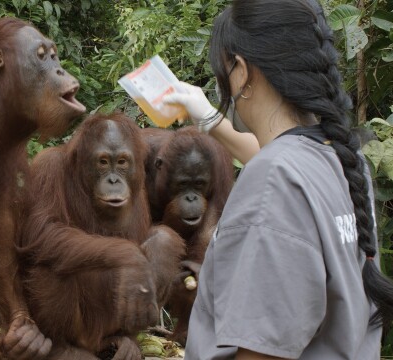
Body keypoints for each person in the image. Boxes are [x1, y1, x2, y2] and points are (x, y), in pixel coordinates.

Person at [162, 0, 393, 359]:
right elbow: (281, 164)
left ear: (241, 71)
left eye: (224, 76)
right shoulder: (343, 159)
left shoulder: (274, 180)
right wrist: (207, 116)